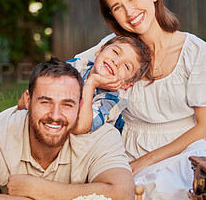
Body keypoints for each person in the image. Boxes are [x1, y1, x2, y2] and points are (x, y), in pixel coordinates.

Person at [75, 0, 206, 200]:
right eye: (117, 8)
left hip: (183, 150)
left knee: (171, 194)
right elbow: (68, 71)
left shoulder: (195, 51)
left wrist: (145, 161)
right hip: (125, 147)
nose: (129, 11)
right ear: (113, 17)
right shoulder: (112, 48)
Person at [0, 58, 135, 200]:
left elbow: (123, 198)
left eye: (67, 104)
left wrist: (33, 187)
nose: (55, 115)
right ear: (27, 100)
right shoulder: (0, 129)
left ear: (81, 106)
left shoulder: (101, 135)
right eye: (45, 102)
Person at [18, 35, 153, 135]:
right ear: (99, 51)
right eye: (115, 52)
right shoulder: (78, 65)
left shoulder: (114, 99)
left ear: (126, 85)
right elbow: (26, 101)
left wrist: (91, 83)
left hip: (90, 145)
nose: (116, 62)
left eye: (126, 66)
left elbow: (79, 127)